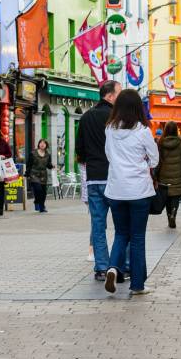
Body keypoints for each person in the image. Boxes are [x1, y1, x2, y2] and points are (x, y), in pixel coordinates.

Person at [102, 89, 158, 296]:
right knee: (137, 238)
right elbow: (154, 159)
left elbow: (109, 154)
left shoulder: (109, 129)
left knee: (120, 234)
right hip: (139, 191)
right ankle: (137, 285)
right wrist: (142, 162)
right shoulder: (143, 131)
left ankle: (112, 268)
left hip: (116, 190)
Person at [76, 80, 120, 280]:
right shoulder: (116, 117)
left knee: (98, 224)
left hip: (94, 177)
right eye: (118, 93)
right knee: (122, 225)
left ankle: (102, 268)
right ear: (110, 96)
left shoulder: (86, 117)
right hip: (115, 177)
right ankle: (120, 266)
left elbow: (80, 151)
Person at [155, 122, 181, 229]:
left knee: (167, 197)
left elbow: (157, 161)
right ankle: (173, 214)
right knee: (175, 196)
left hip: (163, 175)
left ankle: (169, 216)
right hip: (178, 175)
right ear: (176, 130)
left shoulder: (160, 143)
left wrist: (155, 176)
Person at [27, 139, 53, 213]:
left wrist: (52, 166)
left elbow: (48, 165)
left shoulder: (48, 154)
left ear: (46, 145)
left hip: (43, 175)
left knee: (44, 192)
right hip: (34, 173)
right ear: (38, 144)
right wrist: (27, 173)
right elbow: (29, 164)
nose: (42, 144)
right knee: (38, 189)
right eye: (41, 143)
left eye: (44, 143)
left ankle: (42, 207)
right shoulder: (33, 153)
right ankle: (37, 202)